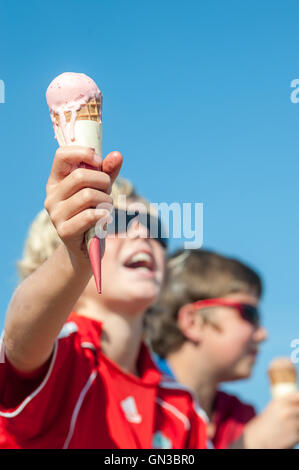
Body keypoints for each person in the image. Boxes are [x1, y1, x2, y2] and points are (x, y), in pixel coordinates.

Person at [0, 147, 207, 449]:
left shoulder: (182, 406)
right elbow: (19, 340)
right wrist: (78, 254)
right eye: (118, 221)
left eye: (155, 228)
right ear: (53, 249)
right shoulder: (64, 352)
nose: (141, 233)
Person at [145, 248, 299, 449]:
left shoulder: (239, 417)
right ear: (193, 322)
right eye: (249, 314)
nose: (263, 334)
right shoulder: (140, 403)